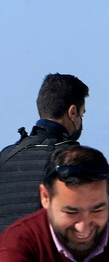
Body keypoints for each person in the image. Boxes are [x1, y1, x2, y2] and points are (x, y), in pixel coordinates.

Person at [0, 73, 88, 235]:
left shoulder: (6, 156)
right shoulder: (75, 159)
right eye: (82, 114)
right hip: (46, 257)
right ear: (72, 112)